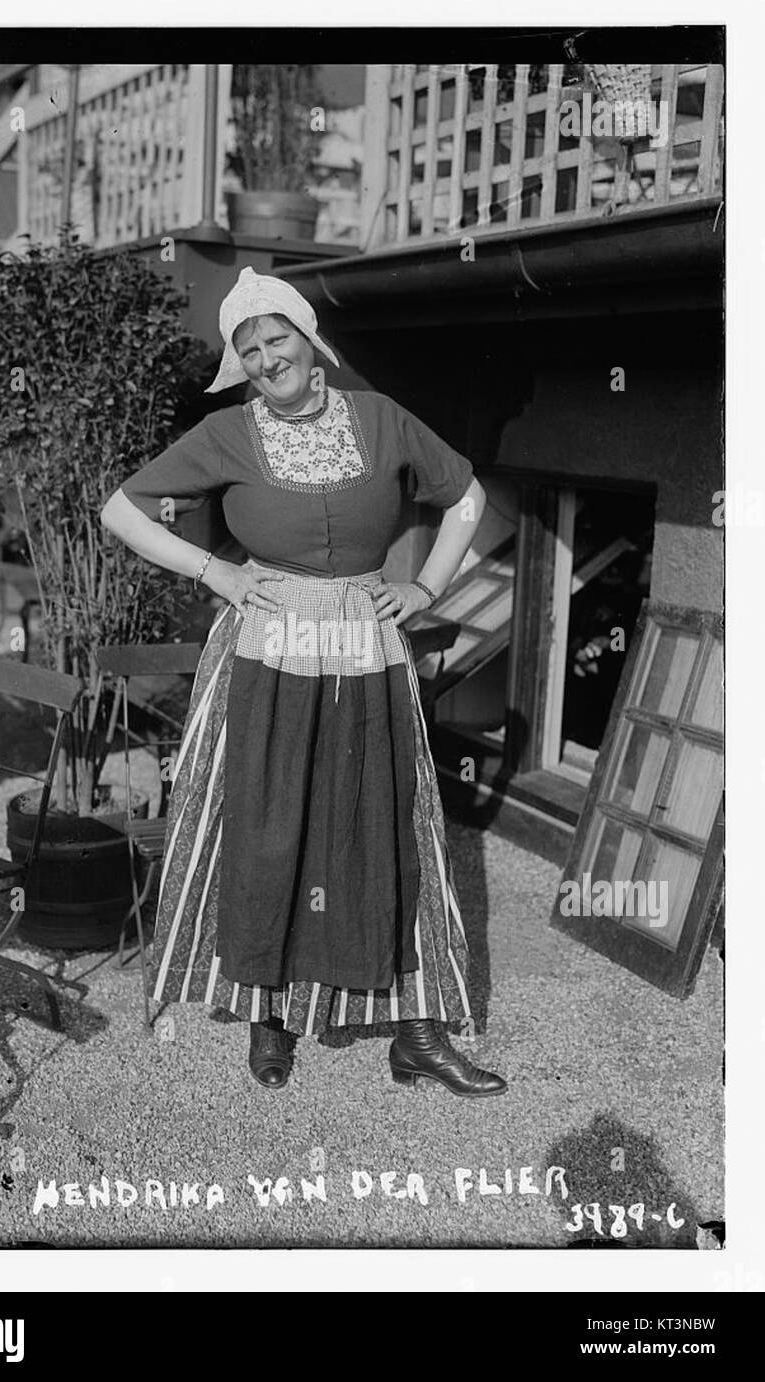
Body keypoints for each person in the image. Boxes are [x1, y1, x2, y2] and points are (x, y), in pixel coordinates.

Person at [100, 266, 507, 1099]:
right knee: (266, 821)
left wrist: (426, 587)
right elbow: (122, 508)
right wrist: (215, 572)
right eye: (248, 349)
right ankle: (268, 1017)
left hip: (366, 647)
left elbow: (466, 496)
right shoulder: (227, 434)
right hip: (265, 651)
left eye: (275, 337)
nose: (265, 357)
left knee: (386, 821)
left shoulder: (383, 419)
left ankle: (417, 1031)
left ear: (306, 338)